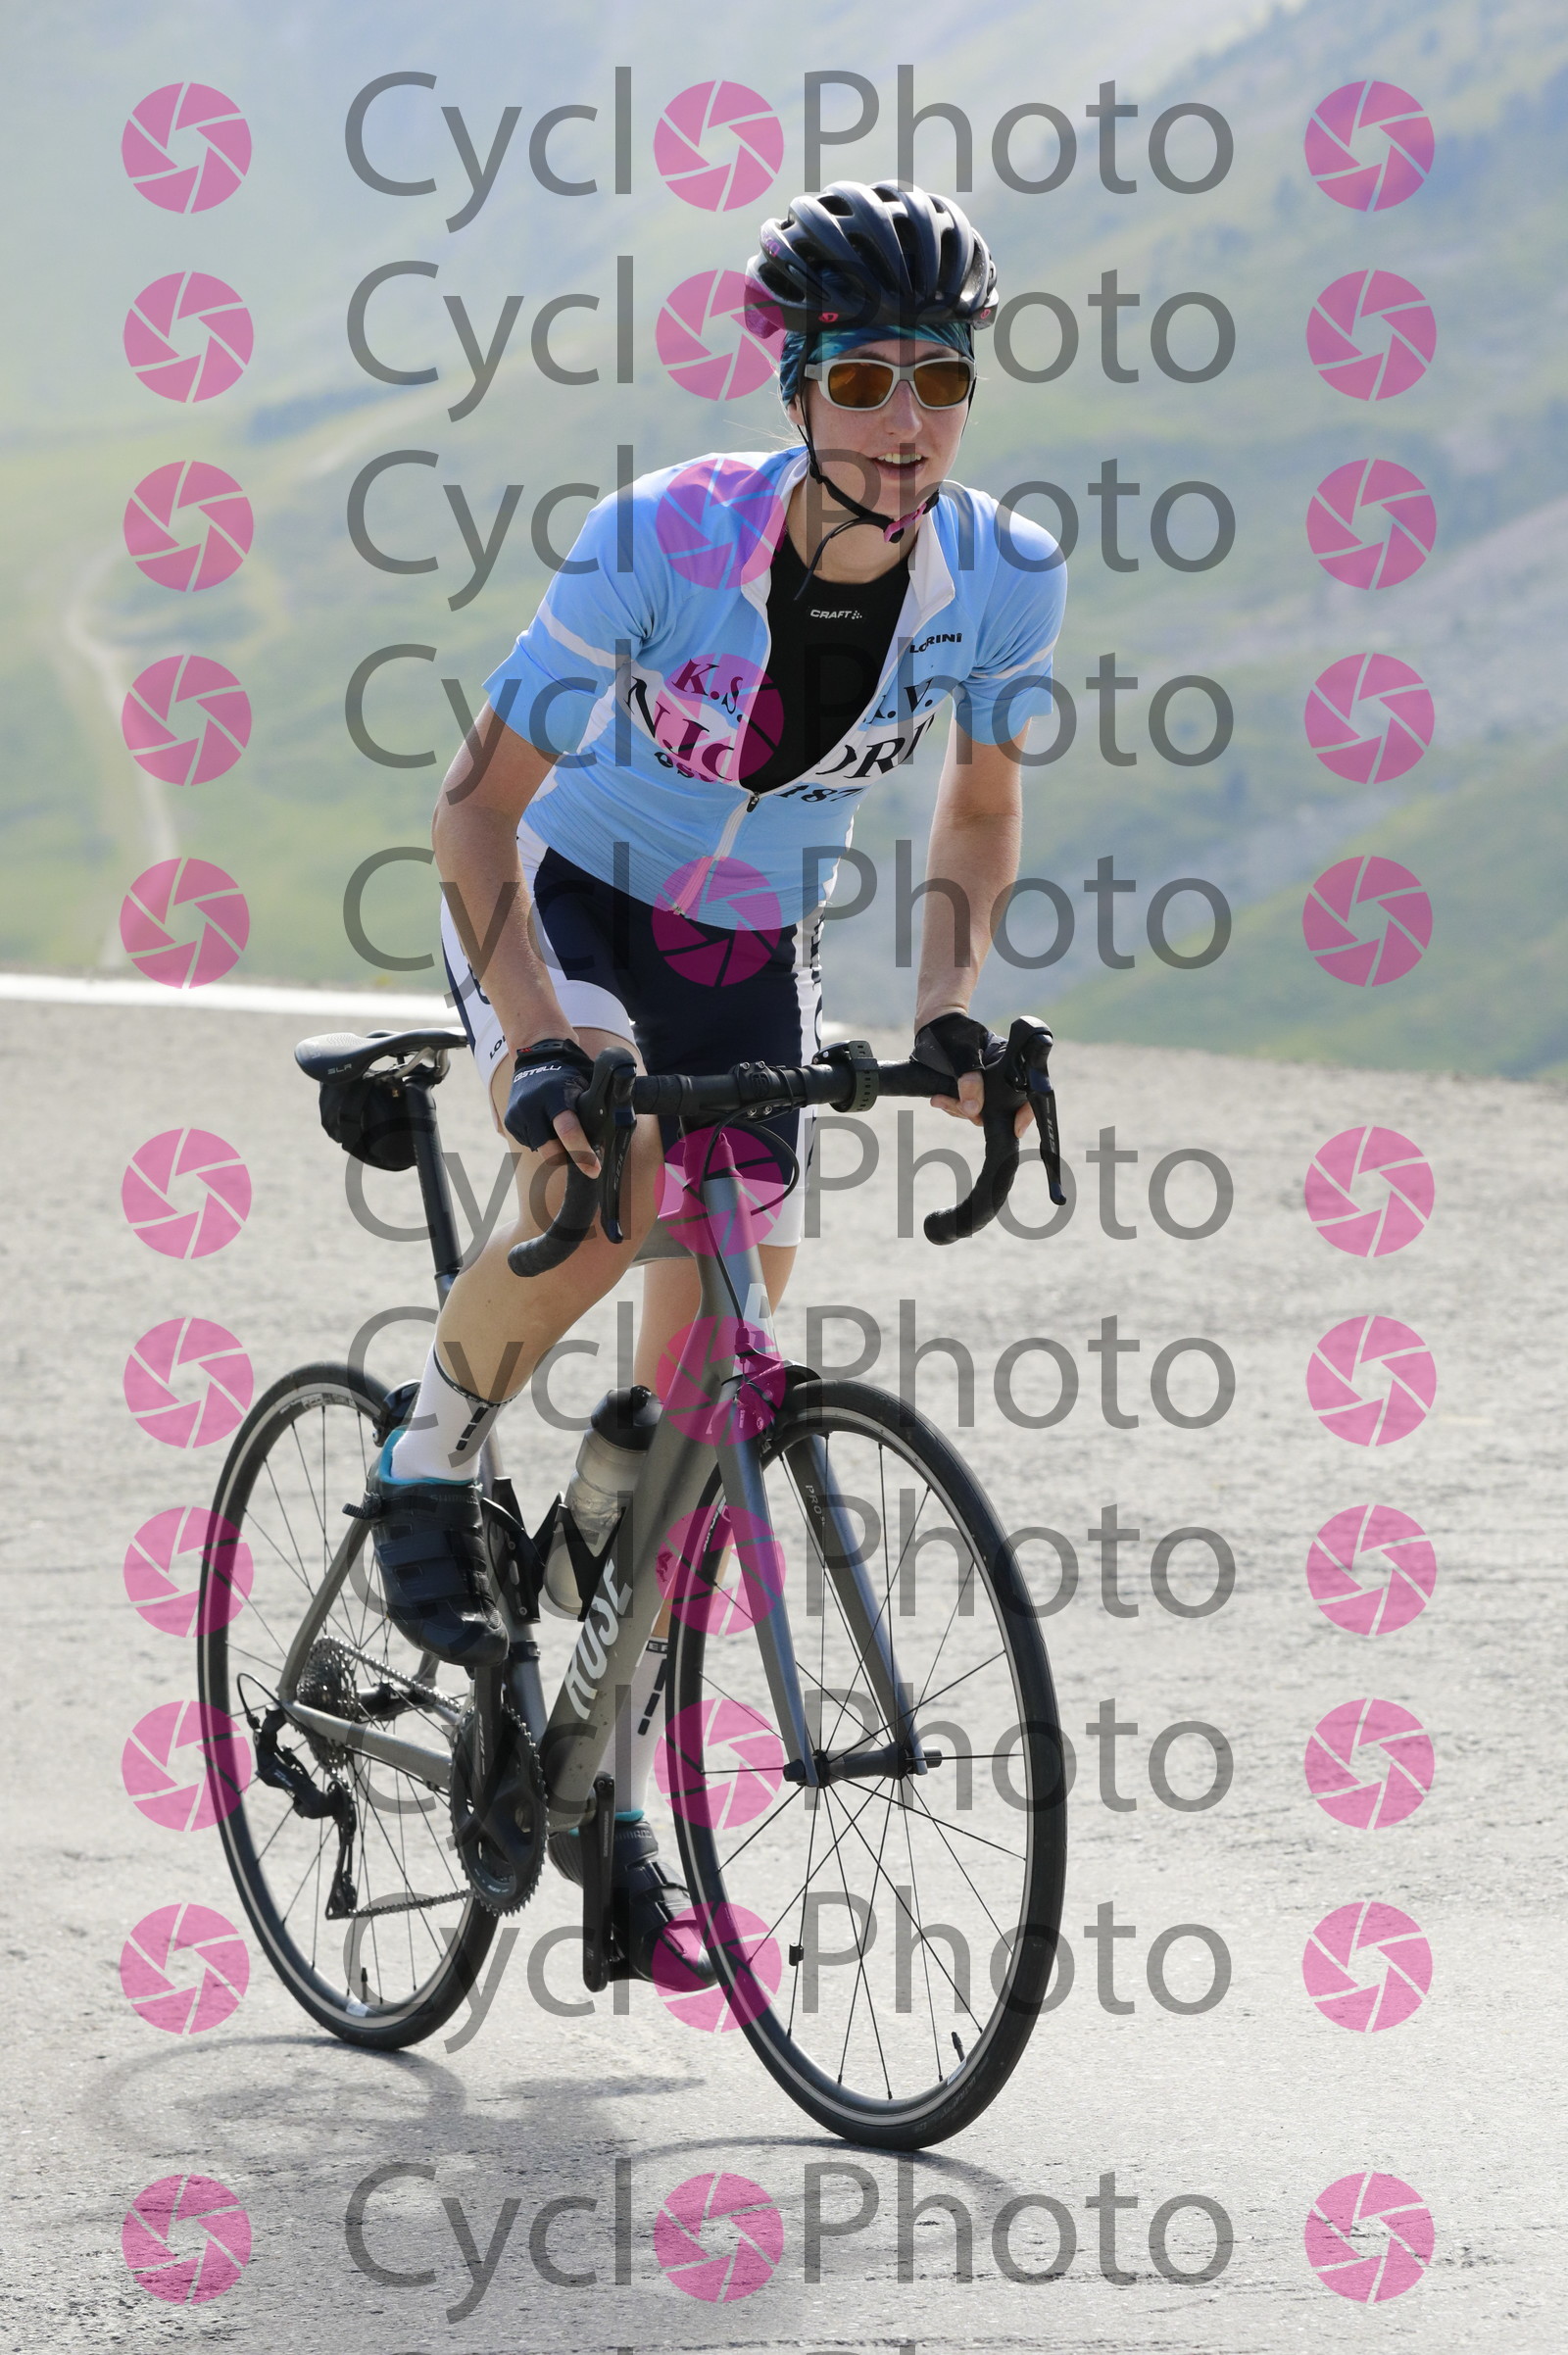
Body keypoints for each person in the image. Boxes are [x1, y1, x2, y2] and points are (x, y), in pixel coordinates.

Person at [361, 179, 1067, 1977]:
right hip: (563, 897)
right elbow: (471, 813)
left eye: (941, 379)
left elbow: (977, 810)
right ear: (798, 388)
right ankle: (424, 1459)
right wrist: (539, 1038)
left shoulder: (1004, 574)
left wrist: (952, 1021)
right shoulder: (661, 539)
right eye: (865, 381)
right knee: (605, 1188)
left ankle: (597, 1796)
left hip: (751, 941)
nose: (907, 423)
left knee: (707, 1370)